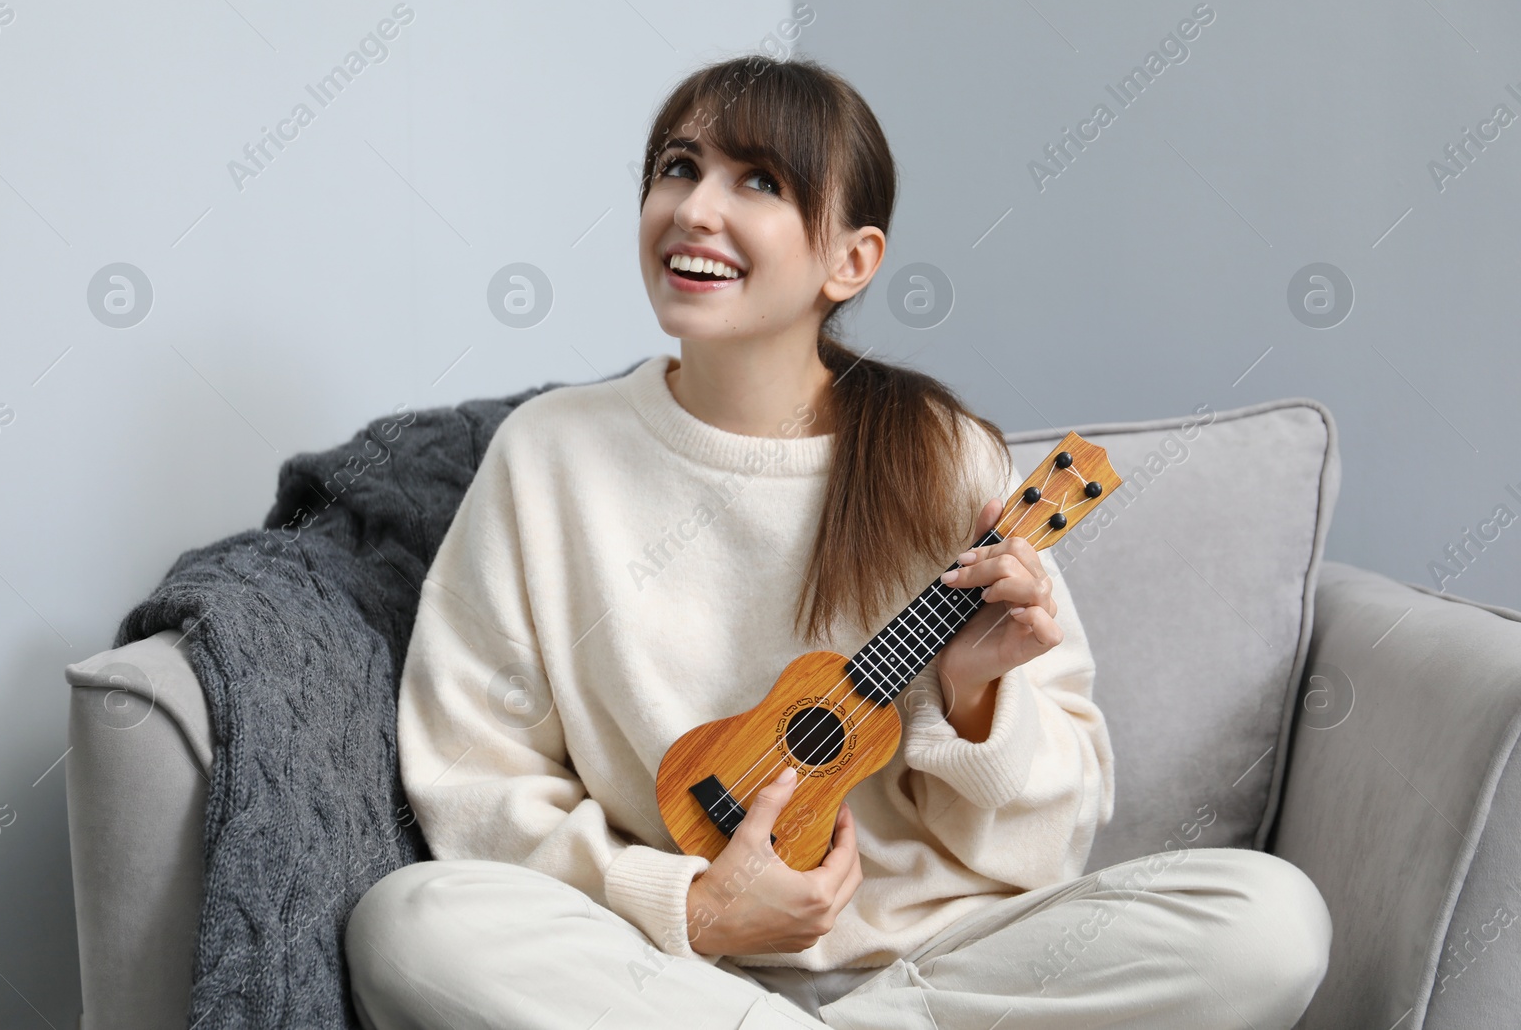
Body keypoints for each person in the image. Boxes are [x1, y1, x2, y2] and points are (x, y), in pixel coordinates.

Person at [344, 54, 1331, 1029]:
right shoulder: (548, 453)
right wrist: (693, 905)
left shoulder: (942, 458)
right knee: (412, 923)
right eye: (677, 168)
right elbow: (473, 770)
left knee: (1267, 921)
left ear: (849, 260)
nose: (694, 209)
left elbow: (1049, 844)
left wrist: (975, 695)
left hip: (935, 972)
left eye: (759, 181)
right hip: (665, 969)